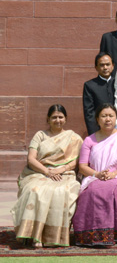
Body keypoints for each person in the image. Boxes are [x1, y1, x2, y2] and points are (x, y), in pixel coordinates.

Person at [11, 105, 83, 248]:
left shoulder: (73, 137)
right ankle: (34, 235)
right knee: (35, 190)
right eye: (54, 117)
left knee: (61, 192)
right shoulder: (40, 135)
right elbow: (31, 159)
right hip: (38, 172)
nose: (58, 120)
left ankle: (53, 236)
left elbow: (78, 160)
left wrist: (62, 169)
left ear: (66, 119)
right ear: (48, 119)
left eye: (60, 117)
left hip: (65, 174)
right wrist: (47, 171)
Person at [72, 103, 117, 246]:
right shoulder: (89, 140)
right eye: (104, 116)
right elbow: (82, 167)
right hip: (94, 177)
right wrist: (97, 174)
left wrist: (115, 174)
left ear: (116, 118)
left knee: (111, 191)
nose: (107, 119)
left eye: (111, 116)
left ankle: (111, 233)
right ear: (97, 119)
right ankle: (87, 235)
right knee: (91, 192)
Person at [82, 52, 115, 135]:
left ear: (112, 66)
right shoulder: (90, 85)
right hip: (99, 130)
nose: (105, 67)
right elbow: (89, 113)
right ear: (96, 67)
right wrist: (95, 134)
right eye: (102, 65)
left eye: (108, 64)